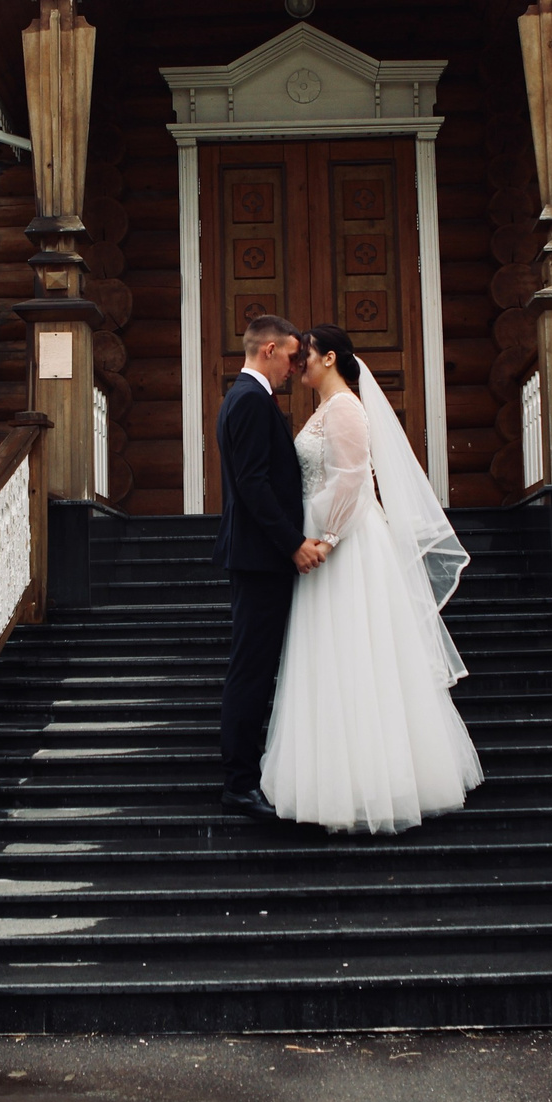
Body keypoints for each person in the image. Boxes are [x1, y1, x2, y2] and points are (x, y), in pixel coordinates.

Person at [259, 324, 483, 833]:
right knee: (331, 656)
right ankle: (334, 778)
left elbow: (352, 478)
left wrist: (327, 538)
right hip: (322, 538)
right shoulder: (325, 407)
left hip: (346, 546)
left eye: (307, 355)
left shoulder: (343, 408)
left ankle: (371, 783)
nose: (299, 364)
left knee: (356, 653)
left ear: (329, 358)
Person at [213, 314, 324, 819]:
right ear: (270, 350)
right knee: (252, 669)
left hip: (257, 555)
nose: (295, 368)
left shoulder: (245, 398)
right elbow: (253, 483)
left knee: (254, 666)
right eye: (292, 357)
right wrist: (294, 544)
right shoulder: (250, 400)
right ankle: (239, 781)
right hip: (261, 558)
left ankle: (245, 774)